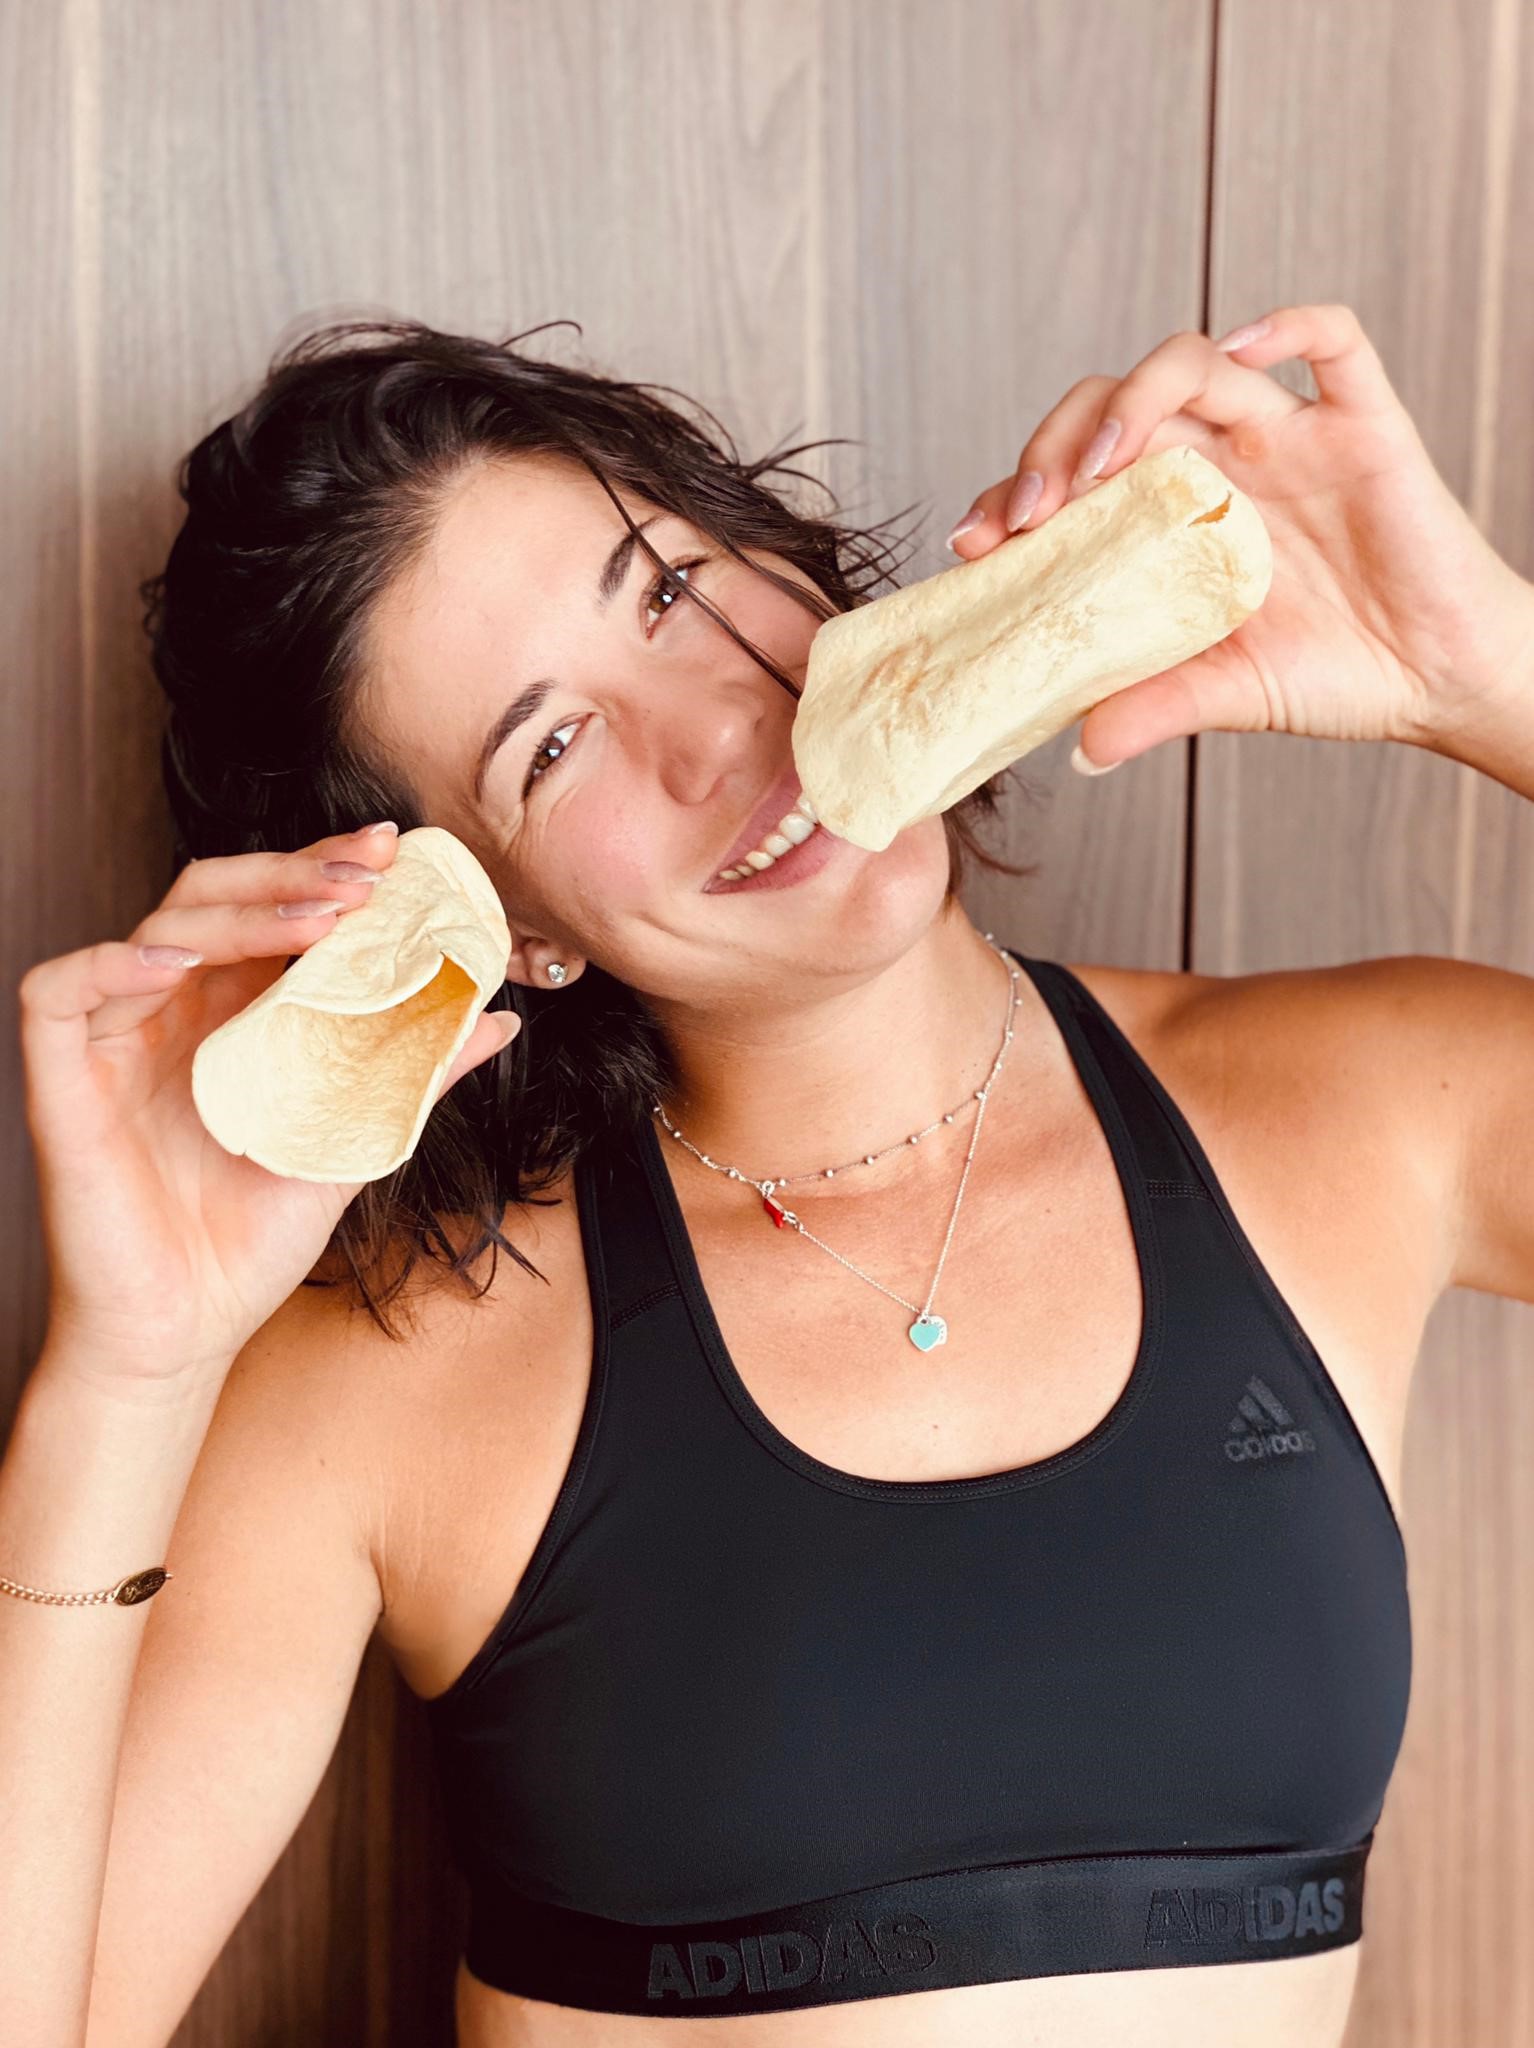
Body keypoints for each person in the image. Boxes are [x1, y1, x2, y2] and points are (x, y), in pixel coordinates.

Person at [5, 301, 1533, 2047]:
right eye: (551, 747)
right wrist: (129, 1371)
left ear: (784, 557)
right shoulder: (400, 1373)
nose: (710, 732)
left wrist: (1484, 670)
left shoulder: (1355, 1111)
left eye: (663, 592)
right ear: (504, 928)